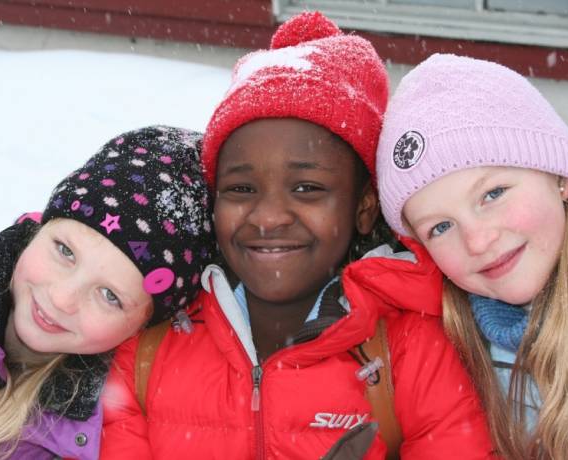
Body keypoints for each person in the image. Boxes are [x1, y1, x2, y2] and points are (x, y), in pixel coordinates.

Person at [100, 12, 495, 459]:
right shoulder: (151, 344)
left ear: (363, 207)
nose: (267, 218)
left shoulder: (411, 351)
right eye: (241, 189)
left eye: (307, 189)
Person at [0, 125, 214, 460]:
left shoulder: (92, 441)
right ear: (41, 227)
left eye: (109, 295)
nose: (62, 299)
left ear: (143, 325)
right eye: (65, 251)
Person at [376, 53, 568, 460]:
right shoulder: (444, 345)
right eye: (440, 227)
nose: (478, 242)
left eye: (493, 194)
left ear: (561, 177)